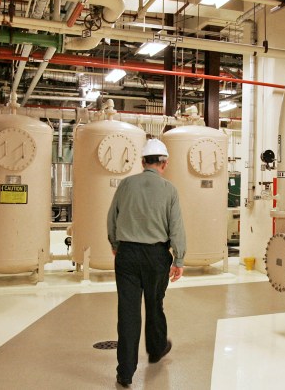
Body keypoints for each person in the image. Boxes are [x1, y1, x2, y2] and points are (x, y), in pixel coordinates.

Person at [107, 138, 186, 388]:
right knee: (154, 304)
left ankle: (125, 372)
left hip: (127, 255)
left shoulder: (126, 185)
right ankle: (156, 348)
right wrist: (179, 258)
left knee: (128, 313)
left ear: (143, 162)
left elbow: (112, 218)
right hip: (156, 256)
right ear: (164, 163)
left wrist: (116, 246)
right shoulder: (169, 189)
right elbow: (176, 227)